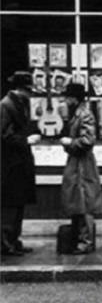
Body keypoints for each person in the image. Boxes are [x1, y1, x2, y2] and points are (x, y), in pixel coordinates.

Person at [1, 72, 41, 256]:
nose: (30, 95)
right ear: (20, 90)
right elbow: (4, 136)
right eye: (28, 91)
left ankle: (13, 239)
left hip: (18, 164)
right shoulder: (6, 106)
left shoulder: (17, 104)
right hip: (10, 165)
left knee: (18, 204)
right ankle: (5, 242)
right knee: (10, 205)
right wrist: (27, 141)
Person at [60, 83, 102, 254]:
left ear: (74, 98)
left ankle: (85, 241)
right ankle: (81, 239)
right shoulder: (78, 113)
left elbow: (87, 140)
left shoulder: (84, 114)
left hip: (82, 164)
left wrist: (70, 143)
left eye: (68, 97)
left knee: (84, 202)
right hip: (77, 163)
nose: (65, 100)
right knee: (78, 201)